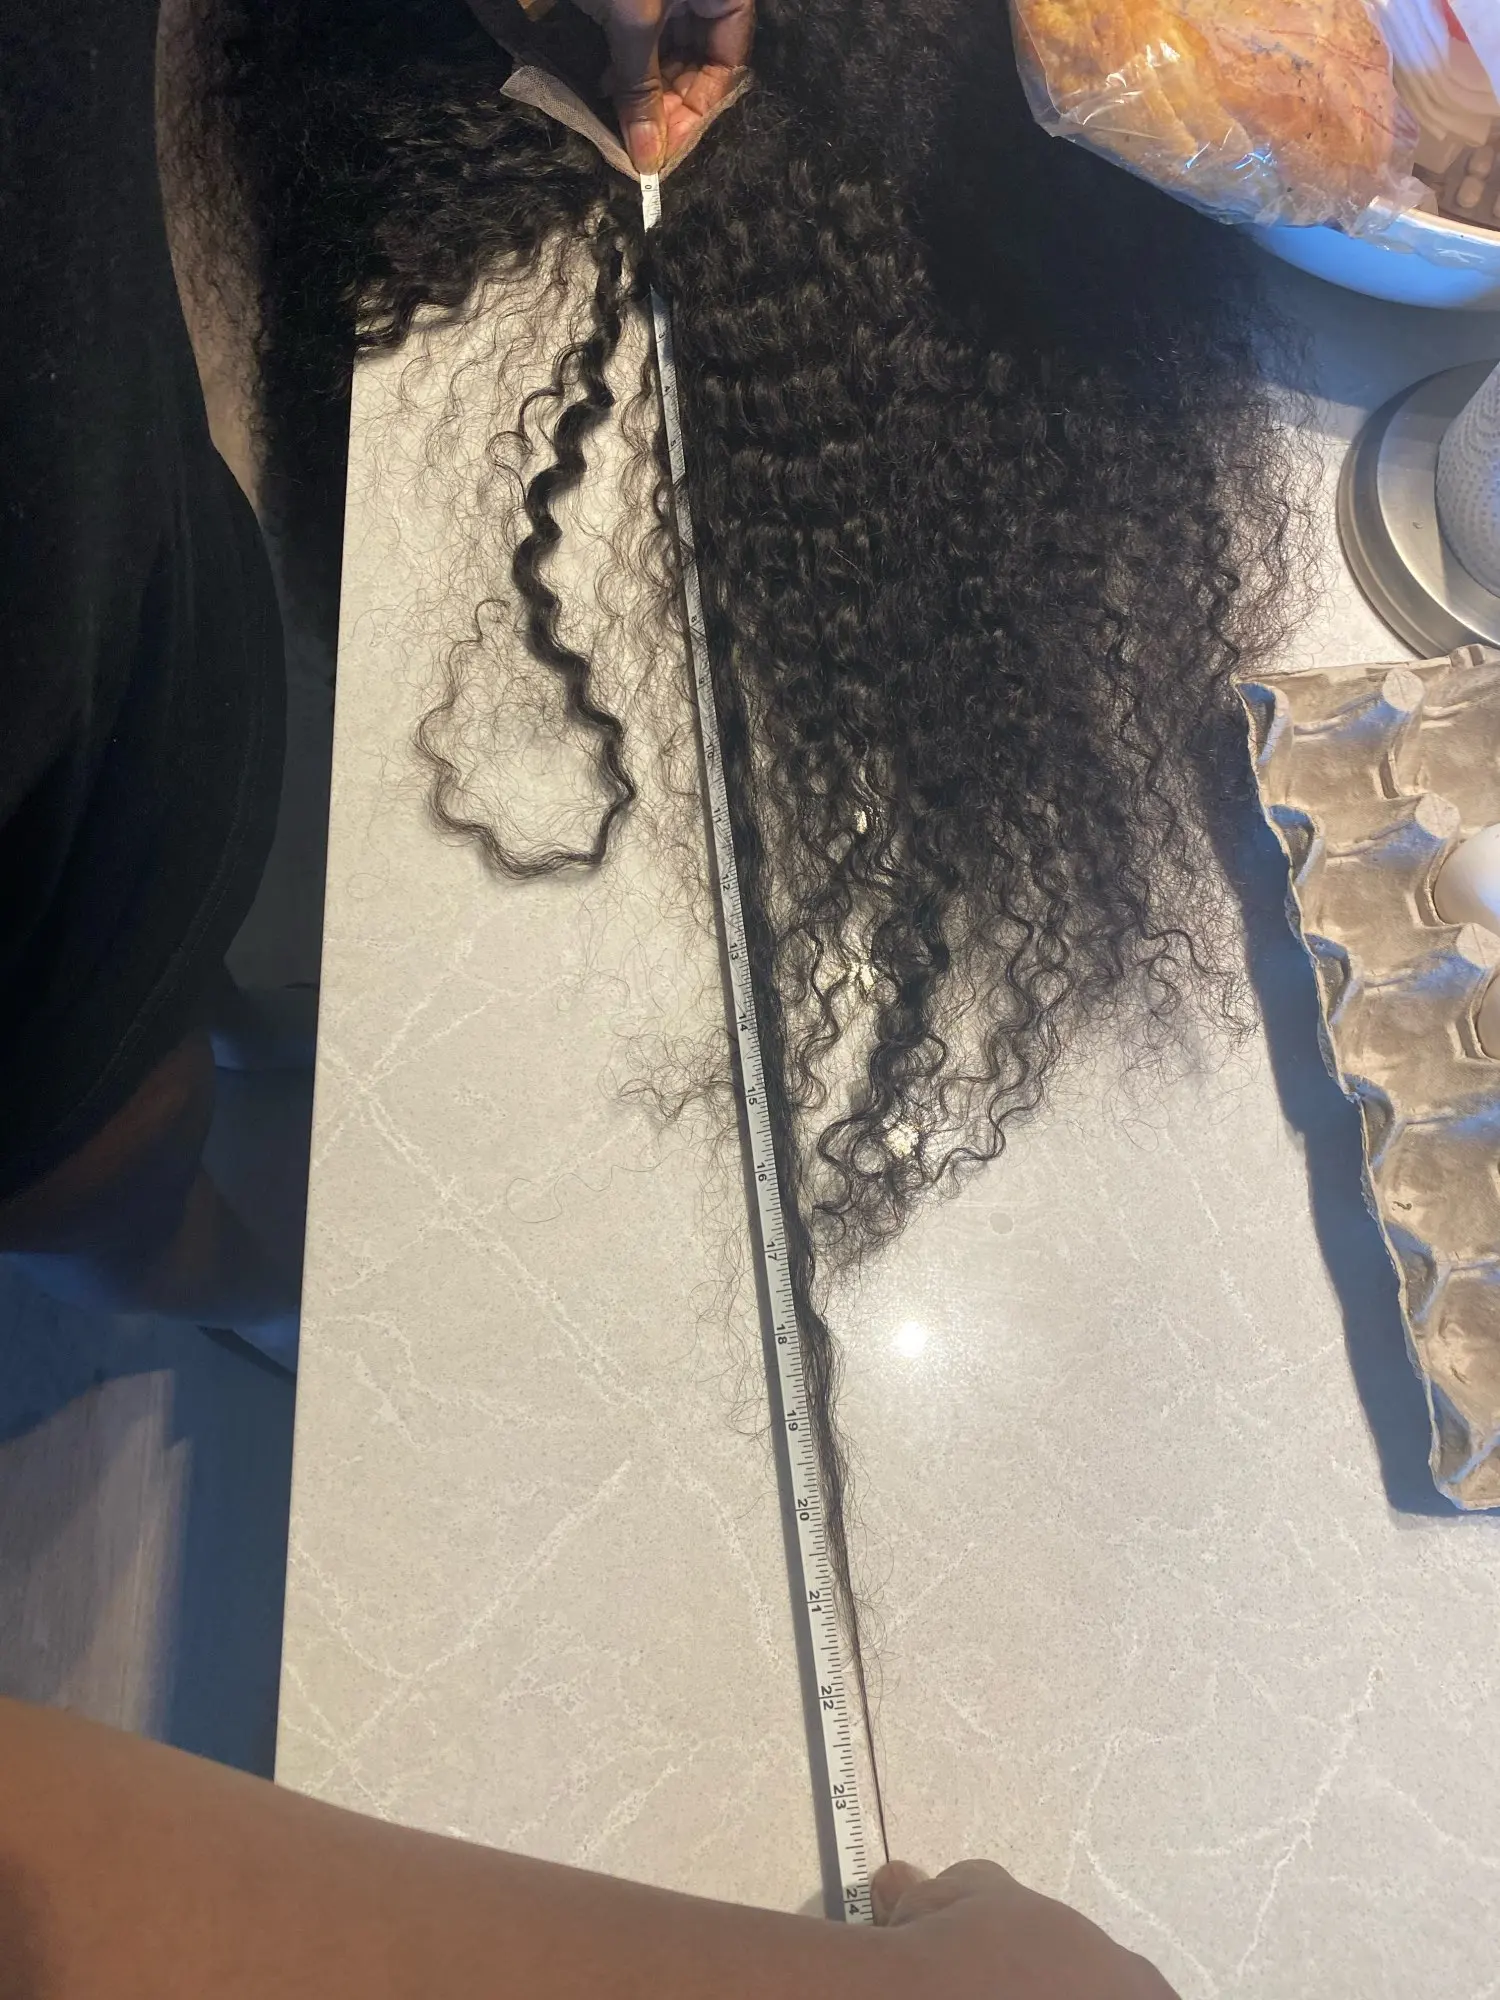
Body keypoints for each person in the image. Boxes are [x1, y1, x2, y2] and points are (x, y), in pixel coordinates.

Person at [0, 4, 1178, 1992]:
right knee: (85, 1159)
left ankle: (175, 1208)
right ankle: (163, 1257)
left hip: (103, 608)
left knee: (133, 1082)